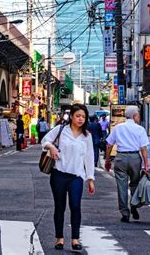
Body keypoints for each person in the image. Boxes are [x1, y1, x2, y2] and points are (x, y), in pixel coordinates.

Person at [42, 103, 95, 252]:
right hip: (58, 174)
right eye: (78, 116)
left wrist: (90, 179)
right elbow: (44, 141)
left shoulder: (87, 136)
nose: (80, 119)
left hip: (76, 177)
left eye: (83, 117)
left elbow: (89, 157)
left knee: (75, 206)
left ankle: (75, 239)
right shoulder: (60, 130)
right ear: (71, 116)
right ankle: (59, 238)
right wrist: (51, 147)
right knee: (60, 207)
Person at [104, 105, 149, 223]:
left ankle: (124, 212)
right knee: (134, 183)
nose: (139, 117)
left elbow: (109, 145)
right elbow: (143, 148)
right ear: (134, 116)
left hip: (121, 158)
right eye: (138, 115)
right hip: (135, 158)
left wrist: (108, 160)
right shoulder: (140, 129)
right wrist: (146, 165)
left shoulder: (118, 128)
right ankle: (134, 205)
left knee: (122, 186)